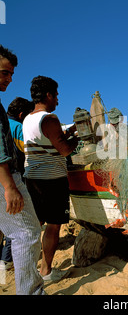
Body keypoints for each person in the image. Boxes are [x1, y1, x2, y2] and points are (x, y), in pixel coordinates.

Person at [23, 75, 78, 282]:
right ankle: (46, 271)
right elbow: (64, 150)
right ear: (48, 95)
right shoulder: (50, 119)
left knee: (35, 225)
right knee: (54, 226)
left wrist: (69, 129)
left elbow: (46, 136)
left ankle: (28, 268)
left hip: (33, 178)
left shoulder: (28, 118)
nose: (57, 100)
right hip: (52, 180)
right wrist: (78, 137)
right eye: (56, 96)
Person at [0, 44, 45, 295]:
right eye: (5, 73)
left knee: (17, 233)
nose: (9, 79)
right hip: (5, 178)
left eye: (11, 74)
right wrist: (9, 186)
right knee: (27, 234)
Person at [0, 97, 34, 271]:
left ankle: (3, 263)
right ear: (22, 115)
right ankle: (7, 261)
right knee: (24, 230)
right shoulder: (18, 127)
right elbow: (28, 151)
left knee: (6, 226)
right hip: (10, 179)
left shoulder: (6, 121)